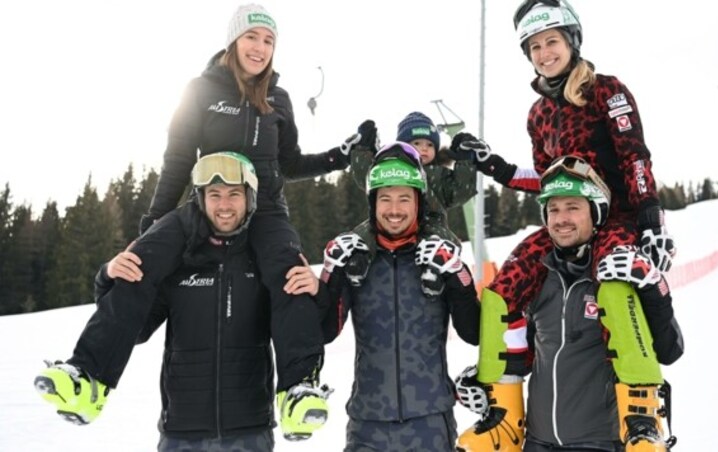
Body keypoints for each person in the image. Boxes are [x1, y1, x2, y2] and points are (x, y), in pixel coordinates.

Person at [448, 0, 677, 402]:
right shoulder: (538, 114)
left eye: (551, 42)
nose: (544, 54)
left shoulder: (606, 90)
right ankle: (501, 404)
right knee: (503, 289)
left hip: (616, 219)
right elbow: (547, 181)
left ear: (572, 41)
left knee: (614, 280)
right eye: (534, 47)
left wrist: (650, 222)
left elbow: (634, 156)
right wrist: (493, 164)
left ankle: (641, 409)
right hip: (565, 223)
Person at [34, 153, 332, 451]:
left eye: (234, 194)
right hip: (181, 432)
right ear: (200, 199)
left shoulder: (265, 262)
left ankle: (297, 391)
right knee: (136, 269)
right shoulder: (177, 264)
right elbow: (135, 328)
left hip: (249, 431)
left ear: (250, 198)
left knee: (293, 282)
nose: (224, 205)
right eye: (214, 195)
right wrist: (108, 277)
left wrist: (318, 293)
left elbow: (303, 327)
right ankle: (88, 381)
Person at [139, 4, 365, 389]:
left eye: (268, 41)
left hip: (267, 213)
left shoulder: (279, 98)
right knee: (139, 265)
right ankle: (88, 373)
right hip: (212, 209)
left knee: (291, 275)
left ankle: (299, 387)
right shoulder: (200, 90)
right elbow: (178, 161)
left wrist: (339, 157)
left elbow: (289, 163)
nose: (260, 48)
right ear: (233, 41)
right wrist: (154, 223)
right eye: (252, 37)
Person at [455, 157, 684, 452]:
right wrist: (481, 378)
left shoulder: (619, 276)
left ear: (595, 212)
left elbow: (670, 349)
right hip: (537, 442)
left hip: (601, 442)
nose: (561, 218)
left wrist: (654, 284)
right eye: (553, 209)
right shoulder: (537, 280)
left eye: (573, 207)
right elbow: (521, 357)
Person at [317, 142, 481, 451]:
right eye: (385, 198)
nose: (394, 210)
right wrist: (330, 272)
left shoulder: (436, 259)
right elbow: (324, 331)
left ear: (418, 202)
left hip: (430, 423)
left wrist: (458, 272)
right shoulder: (357, 261)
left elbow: (472, 332)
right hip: (369, 426)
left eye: (404, 198)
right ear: (373, 203)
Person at [347, 112, 478, 295]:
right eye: (416, 143)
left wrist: (465, 161)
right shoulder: (391, 169)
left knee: (441, 240)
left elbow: (460, 191)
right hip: (393, 217)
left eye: (429, 144)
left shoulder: (437, 174)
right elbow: (366, 176)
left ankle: (433, 271)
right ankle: (358, 260)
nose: (423, 149)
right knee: (367, 230)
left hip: (431, 220)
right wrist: (363, 149)